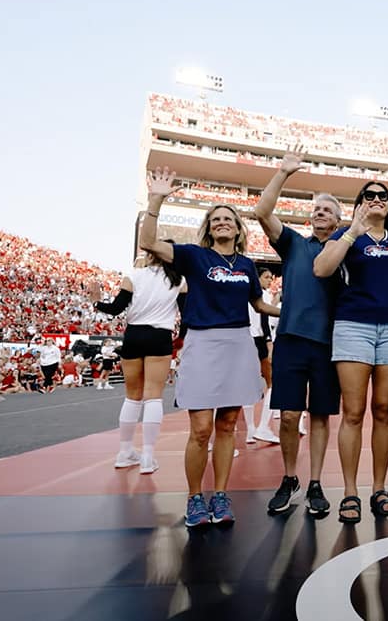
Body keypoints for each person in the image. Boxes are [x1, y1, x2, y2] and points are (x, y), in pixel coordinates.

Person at [140, 167, 280, 528]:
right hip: (203, 343)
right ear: (209, 227)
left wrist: (290, 311)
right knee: (200, 428)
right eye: (215, 219)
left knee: (228, 424)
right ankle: (193, 498)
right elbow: (150, 243)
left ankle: (220, 494)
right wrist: (157, 199)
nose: (221, 223)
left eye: (227, 219)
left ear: (237, 229)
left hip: (238, 343)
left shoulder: (247, 265)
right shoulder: (193, 256)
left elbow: (258, 305)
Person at [253, 145, 342, 518]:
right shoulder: (293, 243)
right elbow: (261, 212)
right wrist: (284, 172)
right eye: (316, 208)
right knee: (289, 416)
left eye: (327, 210)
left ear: (338, 221)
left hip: (327, 343)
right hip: (290, 338)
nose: (319, 213)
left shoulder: (344, 248)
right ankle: (290, 477)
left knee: (319, 416)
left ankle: (316, 482)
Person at [313, 180, 388, 524]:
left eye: (383, 196)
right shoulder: (346, 236)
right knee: (353, 411)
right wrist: (352, 230)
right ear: (359, 203)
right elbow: (321, 269)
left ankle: (379, 488)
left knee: (384, 410)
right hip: (354, 326)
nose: (377, 200)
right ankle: (350, 491)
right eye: (370, 196)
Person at [88, 243, 188, 476]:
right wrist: (181, 338)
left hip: (133, 335)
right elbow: (187, 315)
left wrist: (95, 301)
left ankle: (124, 452)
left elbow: (115, 309)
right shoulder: (179, 280)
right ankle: (147, 456)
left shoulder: (133, 276)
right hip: (159, 336)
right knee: (153, 396)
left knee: (132, 396)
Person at [246, 267, 280, 445]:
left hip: (244, 339)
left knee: (246, 387)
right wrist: (269, 344)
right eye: (266, 277)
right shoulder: (263, 295)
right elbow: (265, 321)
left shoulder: (243, 291)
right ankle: (262, 427)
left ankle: (251, 429)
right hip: (257, 339)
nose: (269, 280)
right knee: (272, 382)